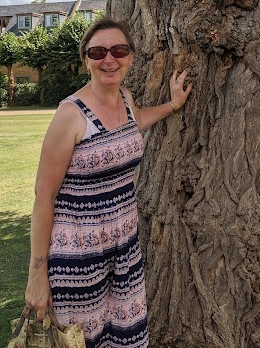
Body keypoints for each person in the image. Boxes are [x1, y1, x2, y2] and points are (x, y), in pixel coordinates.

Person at [25, 17, 192, 348]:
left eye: (118, 50)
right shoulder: (70, 115)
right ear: (86, 59)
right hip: (78, 260)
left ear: (130, 57)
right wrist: (37, 275)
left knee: (125, 338)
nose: (109, 59)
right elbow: (44, 198)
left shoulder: (126, 99)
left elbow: (134, 125)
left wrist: (172, 105)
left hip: (124, 248)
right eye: (98, 52)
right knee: (83, 341)